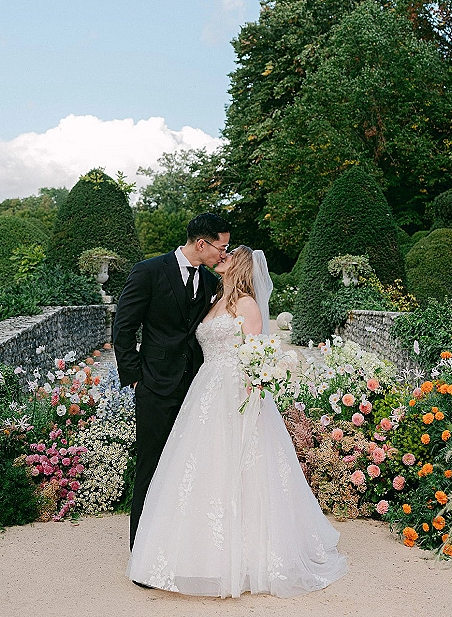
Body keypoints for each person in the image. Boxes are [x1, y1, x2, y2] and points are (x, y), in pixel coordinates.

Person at [127, 245, 348, 598]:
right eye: (222, 253)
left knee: (241, 469)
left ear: (239, 266)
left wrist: (252, 391)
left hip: (235, 392)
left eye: (228, 257)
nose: (222, 259)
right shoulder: (214, 299)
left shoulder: (247, 305)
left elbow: (256, 352)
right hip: (204, 389)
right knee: (196, 469)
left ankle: (245, 557)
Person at [113, 212, 231, 549]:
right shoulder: (148, 271)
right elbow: (124, 327)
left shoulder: (211, 283)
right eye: (221, 247)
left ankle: (177, 549)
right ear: (201, 243)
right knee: (150, 467)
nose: (223, 254)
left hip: (196, 390)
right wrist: (135, 377)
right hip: (154, 387)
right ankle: (141, 551)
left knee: (186, 469)